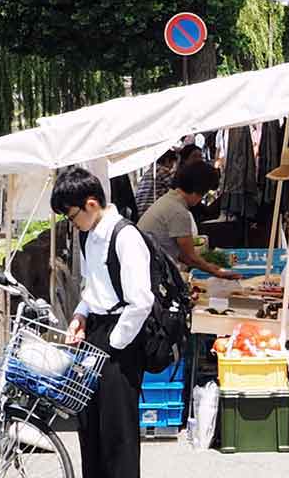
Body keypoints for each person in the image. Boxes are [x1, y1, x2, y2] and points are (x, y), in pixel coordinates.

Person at [52, 165, 152, 478]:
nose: (72, 222)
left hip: (120, 338)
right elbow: (92, 287)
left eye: (71, 215)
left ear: (91, 204)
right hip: (94, 332)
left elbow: (141, 300)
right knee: (90, 427)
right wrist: (81, 315)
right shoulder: (88, 235)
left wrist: (114, 343)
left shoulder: (125, 236)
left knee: (117, 433)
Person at [137, 160, 241, 279]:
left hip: (148, 269)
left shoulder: (169, 200)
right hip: (151, 273)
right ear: (198, 191)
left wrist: (208, 266)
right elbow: (189, 257)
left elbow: (184, 256)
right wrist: (216, 271)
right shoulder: (178, 211)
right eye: (204, 194)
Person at [131, 147, 177, 217]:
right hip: (150, 210)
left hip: (140, 212)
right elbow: (176, 188)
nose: (172, 167)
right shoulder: (162, 170)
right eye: (173, 164)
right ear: (167, 160)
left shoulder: (149, 172)